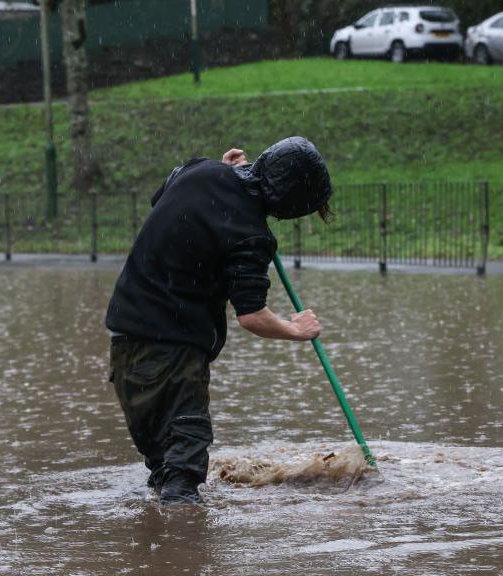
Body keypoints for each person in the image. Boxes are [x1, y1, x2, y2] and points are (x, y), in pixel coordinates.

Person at [105, 136, 334, 505]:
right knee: (183, 468)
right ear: (291, 204)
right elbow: (252, 316)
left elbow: (162, 198)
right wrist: (297, 329)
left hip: (124, 343)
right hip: (174, 353)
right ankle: (185, 553)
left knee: (163, 466)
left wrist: (228, 176)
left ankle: (154, 550)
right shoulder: (250, 234)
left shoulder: (201, 169)